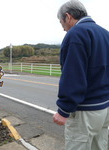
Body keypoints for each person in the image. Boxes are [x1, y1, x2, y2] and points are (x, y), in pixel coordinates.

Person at [53, 0, 109, 149]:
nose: (63, 29)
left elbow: (73, 74)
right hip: (105, 107)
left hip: (86, 110)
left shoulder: (76, 34)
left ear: (68, 16)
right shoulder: (105, 33)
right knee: (100, 146)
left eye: (61, 23)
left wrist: (64, 109)